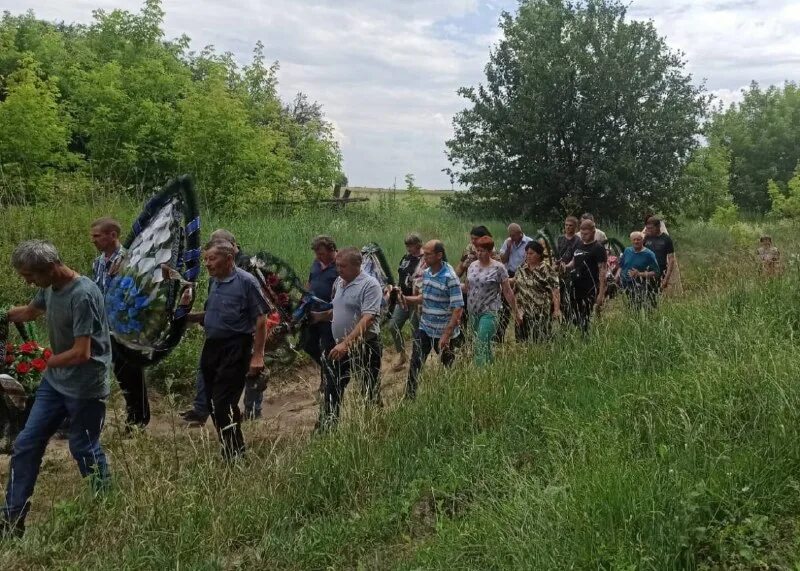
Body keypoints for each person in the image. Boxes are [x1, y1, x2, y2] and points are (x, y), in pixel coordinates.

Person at [1, 241, 111, 537]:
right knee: (25, 444)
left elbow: (81, 353)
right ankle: (11, 522)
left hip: (86, 386)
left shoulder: (83, 295)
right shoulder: (50, 287)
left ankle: (108, 508)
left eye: (30, 275)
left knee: (83, 447)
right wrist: (3, 316)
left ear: (50, 268)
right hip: (56, 383)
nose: (27, 281)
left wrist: (43, 357)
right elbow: (29, 312)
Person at [187, 240, 268, 459]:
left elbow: (261, 319)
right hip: (212, 346)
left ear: (229, 259)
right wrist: (186, 317)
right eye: (205, 259)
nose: (207, 264)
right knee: (214, 402)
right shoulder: (215, 282)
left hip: (236, 347)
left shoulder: (246, 282)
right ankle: (230, 447)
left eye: (212, 259)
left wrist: (258, 356)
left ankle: (235, 454)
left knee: (223, 402)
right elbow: (213, 314)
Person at [90, 217, 150, 430]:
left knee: (131, 373)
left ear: (112, 235)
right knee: (119, 373)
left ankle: (139, 419)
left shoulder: (131, 259)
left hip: (127, 328)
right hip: (105, 328)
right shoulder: (98, 262)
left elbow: (141, 292)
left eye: (97, 236)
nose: (93, 240)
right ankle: (132, 415)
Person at [314, 248, 383, 430]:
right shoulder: (339, 281)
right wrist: (319, 317)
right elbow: (338, 310)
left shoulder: (370, 285)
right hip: (340, 346)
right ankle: (326, 428)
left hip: (364, 345)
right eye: (337, 265)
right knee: (333, 387)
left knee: (368, 387)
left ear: (357, 266)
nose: (338, 269)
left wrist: (347, 343)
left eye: (342, 266)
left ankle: (372, 425)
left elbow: (368, 318)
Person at [401, 240, 464, 399]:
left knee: (449, 365)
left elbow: (458, 308)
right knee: (415, 363)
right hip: (425, 328)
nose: (424, 257)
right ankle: (409, 398)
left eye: (428, 254)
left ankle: (456, 396)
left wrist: (446, 335)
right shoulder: (427, 272)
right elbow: (425, 297)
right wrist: (405, 298)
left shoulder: (450, 277)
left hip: (443, 331)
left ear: (439, 255)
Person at [464, 236, 520, 365]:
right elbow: (467, 287)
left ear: (490, 252)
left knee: (481, 343)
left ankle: (479, 375)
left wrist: (516, 312)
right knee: (484, 345)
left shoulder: (498, 268)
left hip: (490, 311)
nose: (479, 253)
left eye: (482, 250)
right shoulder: (472, 266)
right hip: (473, 310)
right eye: (477, 250)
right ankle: (490, 371)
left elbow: (507, 291)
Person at [386, 234, 423, 371]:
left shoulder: (424, 259)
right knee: (393, 325)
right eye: (406, 245)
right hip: (402, 299)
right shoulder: (406, 258)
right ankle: (401, 355)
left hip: (416, 300)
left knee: (416, 331)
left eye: (410, 245)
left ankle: (417, 359)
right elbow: (401, 274)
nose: (408, 248)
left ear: (417, 244)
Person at [513, 241, 561, 342]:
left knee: (540, 341)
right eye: (526, 253)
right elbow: (515, 287)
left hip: (540, 312)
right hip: (522, 312)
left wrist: (556, 310)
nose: (528, 256)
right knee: (522, 341)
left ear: (539, 255)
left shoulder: (545, 269)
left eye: (531, 253)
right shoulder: (521, 268)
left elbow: (555, 289)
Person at [566, 219, 607, 334]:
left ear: (593, 232)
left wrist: (601, 293)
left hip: (589, 287)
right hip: (575, 285)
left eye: (586, 234)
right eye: (581, 233)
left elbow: (602, 271)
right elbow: (574, 260)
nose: (583, 236)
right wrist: (565, 266)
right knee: (573, 315)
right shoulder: (579, 244)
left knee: (585, 317)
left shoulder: (598, 248)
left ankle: (586, 339)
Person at [302, 236, 338, 366]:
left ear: (332, 250)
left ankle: (330, 379)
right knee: (307, 344)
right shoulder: (316, 262)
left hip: (330, 316)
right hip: (312, 312)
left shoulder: (341, 265)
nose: (318, 256)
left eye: (321, 253)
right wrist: (304, 298)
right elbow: (310, 282)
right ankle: (324, 368)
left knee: (329, 348)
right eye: (316, 254)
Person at [495, 223, 532, 342]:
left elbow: (529, 262)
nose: (511, 237)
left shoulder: (529, 243)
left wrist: (520, 274)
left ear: (519, 233)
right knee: (505, 306)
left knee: (520, 306)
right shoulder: (508, 242)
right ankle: (499, 336)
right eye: (509, 235)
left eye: (513, 235)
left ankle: (520, 338)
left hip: (522, 275)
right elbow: (503, 259)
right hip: (509, 274)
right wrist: (509, 248)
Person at [617, 231, 660, 311]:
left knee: (636, 307)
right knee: (626, 307)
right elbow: (621, 266)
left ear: (643, 240)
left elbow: (656, 272)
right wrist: (616, 278)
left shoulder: (649, 254)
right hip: (624, 284)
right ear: (631, 240)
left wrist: (639, 274)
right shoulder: (627, 251)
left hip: (638, 285)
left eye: (638, 239)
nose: (636, 241)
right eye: (634, 240)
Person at [644, 216, 676, 294]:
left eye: (651, 228)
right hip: (645, 271)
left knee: (655, 296)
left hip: (659, 272)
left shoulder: (666, 239)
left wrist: (666, 279)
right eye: (648, 228)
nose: (649, 230)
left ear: (658, 226)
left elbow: (671, 259)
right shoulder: (647, 237)